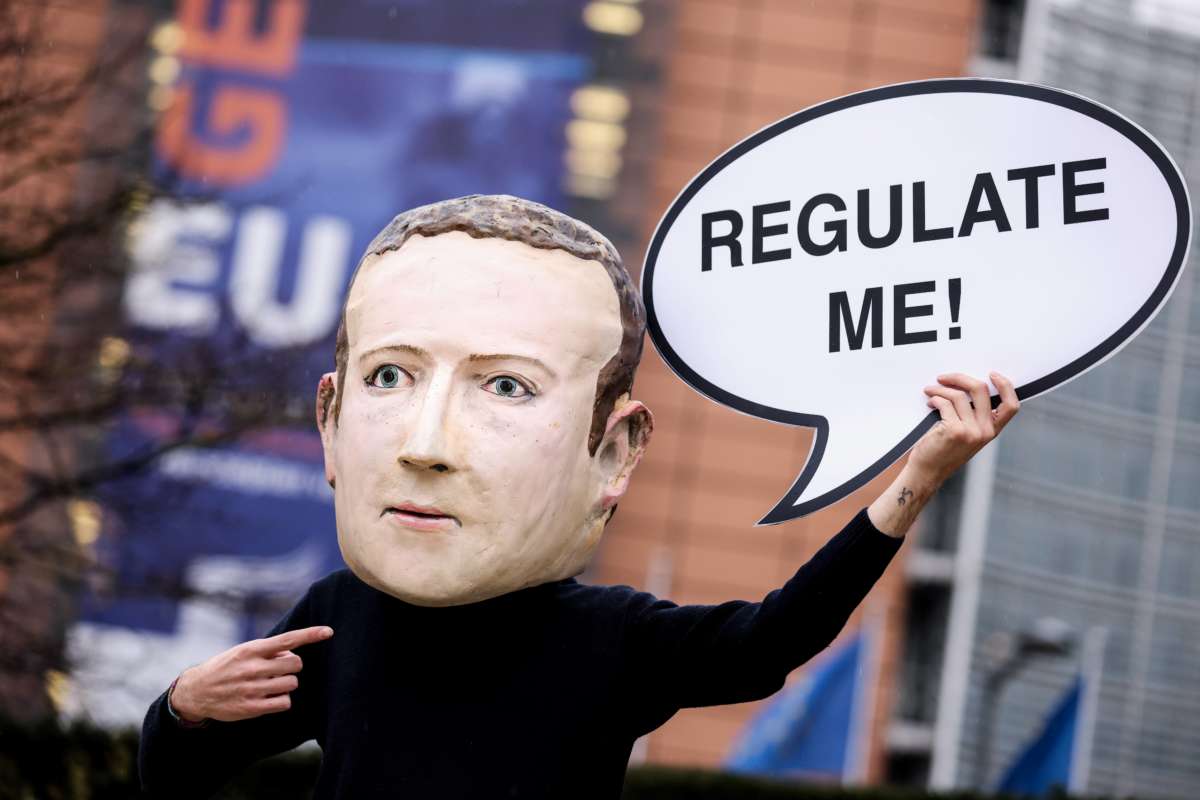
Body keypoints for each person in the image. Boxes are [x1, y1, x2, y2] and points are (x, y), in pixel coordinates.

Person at [138, 195, 1020, 799]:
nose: (425, 446)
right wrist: (182, 710)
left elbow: (772, 641)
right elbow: (173, 777)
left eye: (507, 388)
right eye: (393, 376)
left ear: (615, 451)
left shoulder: (611, 640)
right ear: (329, 419)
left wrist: (918, 477)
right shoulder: (340, 616)